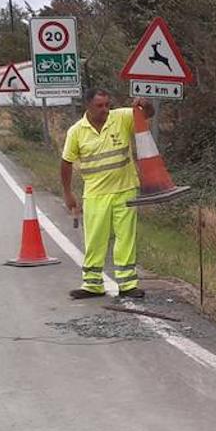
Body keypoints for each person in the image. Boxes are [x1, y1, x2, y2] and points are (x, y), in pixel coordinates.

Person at [60, 88, 154, 299]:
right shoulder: (77, 131)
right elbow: (66, 162)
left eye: (107, 105)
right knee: (95, 239)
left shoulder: (120, 118)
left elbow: (147, 114)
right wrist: (68, 193)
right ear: (88, 106)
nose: (105, 109)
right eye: (99, 106)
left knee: (125, 237)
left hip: (125, 190)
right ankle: (92, 284)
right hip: (95, 193)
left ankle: (127, 284)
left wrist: (146, 105)